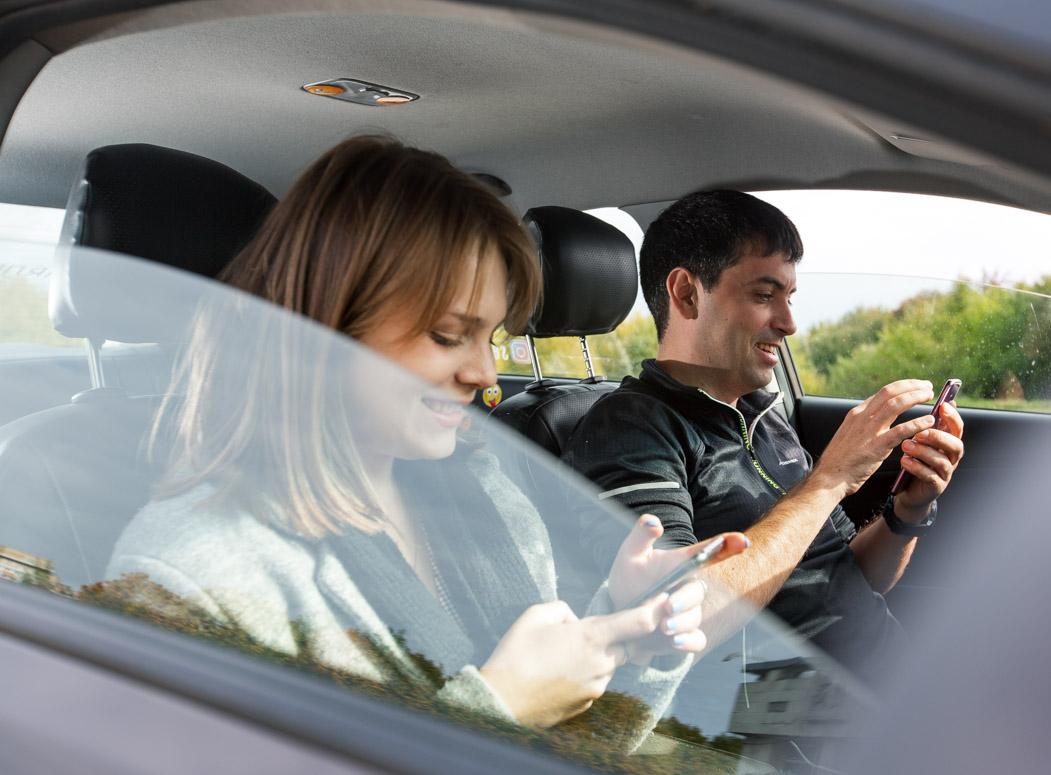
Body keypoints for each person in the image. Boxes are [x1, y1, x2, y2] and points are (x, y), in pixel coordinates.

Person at [106, 136, 746, 734]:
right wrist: (495, 713)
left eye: (490, 337)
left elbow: (568, 750)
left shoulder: (484, 490)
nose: (485, 375)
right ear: (324, 327)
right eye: (447, 335)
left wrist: (628, 634)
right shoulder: (187, 571)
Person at [561, 190, 964, 685]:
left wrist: (908, 510)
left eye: (789, 297)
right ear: (687, 293)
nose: (789, 322)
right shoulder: (629, 429)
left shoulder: (763, 414)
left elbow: (845, 579)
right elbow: (676, 619)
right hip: (793, 737)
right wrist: (829, 479)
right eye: (763, 295)